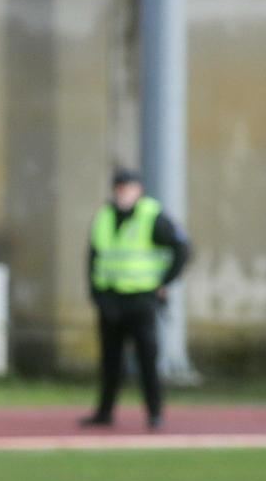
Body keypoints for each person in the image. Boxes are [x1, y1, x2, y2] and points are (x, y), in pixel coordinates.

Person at [81, 168, 189, 430]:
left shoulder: (152, 216)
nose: (122, 193)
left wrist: (164, 282)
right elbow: (94, 256)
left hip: (141, 299)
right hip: (111, 299)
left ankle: (155, 413)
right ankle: (105, 413)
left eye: (128, 187)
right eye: (119, 187)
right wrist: (97, 294)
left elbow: (182, 248)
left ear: (138, 190)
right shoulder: (104, 216)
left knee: (147, 359)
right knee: (110, 361)